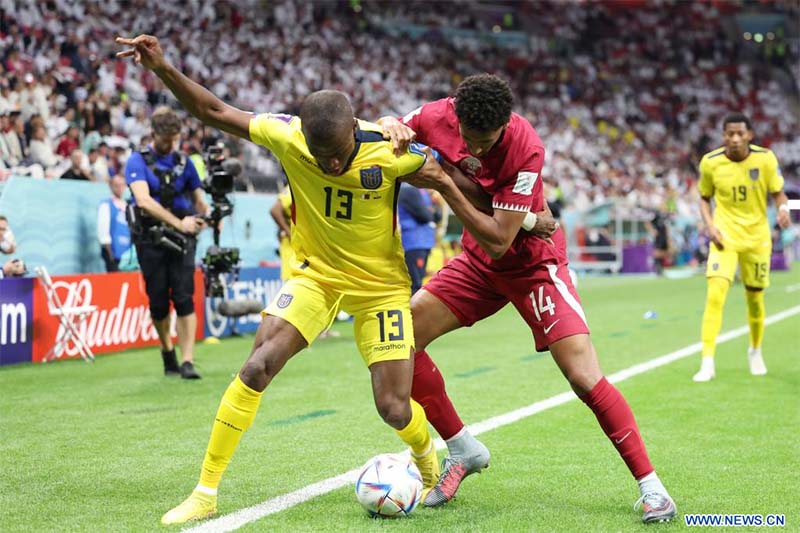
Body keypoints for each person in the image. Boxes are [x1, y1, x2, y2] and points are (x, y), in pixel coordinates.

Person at [116, 33, 443, 525]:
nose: (331, 164)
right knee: (256, 367)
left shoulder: (389, 149)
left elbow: (451, 174)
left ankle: (427, 460)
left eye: (338, 154)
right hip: (317, 277)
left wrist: (519, 216)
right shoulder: (288, 135)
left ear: (355, 132)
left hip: (381, 291)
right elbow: (213, 111)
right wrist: (162, 68)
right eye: (321, 155)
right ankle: (205, 491)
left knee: (394, 408)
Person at [380, 73, 676, 522]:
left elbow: (501, 238)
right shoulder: (436, 114)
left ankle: (653, 489)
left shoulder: (525, 147)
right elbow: (393, 130)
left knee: (582, 376)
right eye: (469, 139)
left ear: (505, 125)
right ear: (454, 116)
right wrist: (390, 125)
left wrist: (443, 182)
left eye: (486, 141)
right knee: (401, 339)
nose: (476, 150)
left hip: (532, 267)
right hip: (478, 266)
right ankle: (462, 449)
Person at [693, 113, 791, 382]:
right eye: (729, 134)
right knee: (715, 295)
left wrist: (783, 208)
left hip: (757, 238)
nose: (734, 139)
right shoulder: (711, 163)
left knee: (756, 302)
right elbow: (703, 198)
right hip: (725, 237)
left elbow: (778, 192)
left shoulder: (766, 159)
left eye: (739, 133)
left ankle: (755, 350)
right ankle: (707, 361)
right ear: (723, 136)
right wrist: (710, 225)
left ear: (749, 135)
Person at [124, 105, 208, 380]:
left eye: (175, 140)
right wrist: (178, 222)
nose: (172, 145)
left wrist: (205, 217)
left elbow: (199, 200)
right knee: (158, 302)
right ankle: (166, 349)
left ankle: (187, 361)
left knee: (184, 298)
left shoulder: (186, 162)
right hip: (151, 239)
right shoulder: (137, 161)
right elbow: (143, 201)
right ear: (154, 135)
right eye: (166, 140)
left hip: (183, 240)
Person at [398, 182, 441, 293]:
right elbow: (425, 216)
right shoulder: (408, 189)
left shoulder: (422, 191)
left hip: (423, 243)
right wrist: (429, 210)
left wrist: (431, 208)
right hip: (413, 243)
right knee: (414, 284)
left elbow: (437, 216)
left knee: (417, 282)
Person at [97, 175, 132, 272]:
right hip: (113, 252)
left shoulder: (127, 205)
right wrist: (110, 253)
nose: (120, 188)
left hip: (127, 252)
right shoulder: (106, 204)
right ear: (111, 186)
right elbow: (103, 230)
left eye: (122, 185)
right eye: (117, 185)